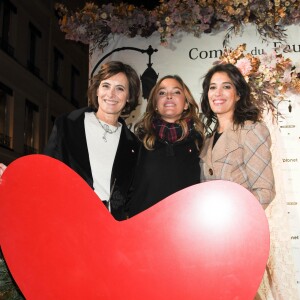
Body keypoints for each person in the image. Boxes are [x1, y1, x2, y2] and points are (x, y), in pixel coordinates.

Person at [1, 61, 141, 221]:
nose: (111, 94)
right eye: (106, 86)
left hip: (110, 230)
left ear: (129, 97)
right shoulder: (67, 125)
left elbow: (133, 197)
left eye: (120, 89)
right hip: (69, 224)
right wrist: (16, 180)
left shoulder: (133, 145)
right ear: (97, 90)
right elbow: (47, 173)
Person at [126, 75, 204, 217]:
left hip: (187, 228)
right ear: (155, 104)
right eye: (162, 93)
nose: (168, 96)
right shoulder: (137, 142)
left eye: (176, 92)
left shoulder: (199, 144)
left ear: (186, 104)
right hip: (144, 228)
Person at [200, 63, 275, 208]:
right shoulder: (207, 140)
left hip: (240, 225)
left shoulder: (251, 131)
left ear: (238, 94)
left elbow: (265, 192)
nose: (218, 93)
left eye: (226, 87)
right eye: (213, 87)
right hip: (210, 227)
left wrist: (232, 216)